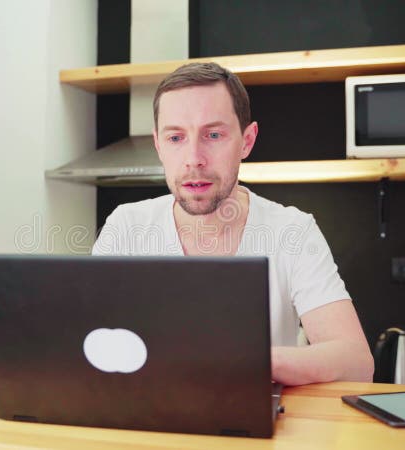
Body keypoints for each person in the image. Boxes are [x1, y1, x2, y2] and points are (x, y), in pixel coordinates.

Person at [92, 62, 374, 386]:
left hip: (254, 429)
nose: (193, 158)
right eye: (176, 137)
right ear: (158, 145)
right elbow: (90, 345)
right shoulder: (126, 226)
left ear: (247, 141)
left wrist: (244, 360)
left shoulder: (292, 231)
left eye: (213, 134)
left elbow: (356, 362)